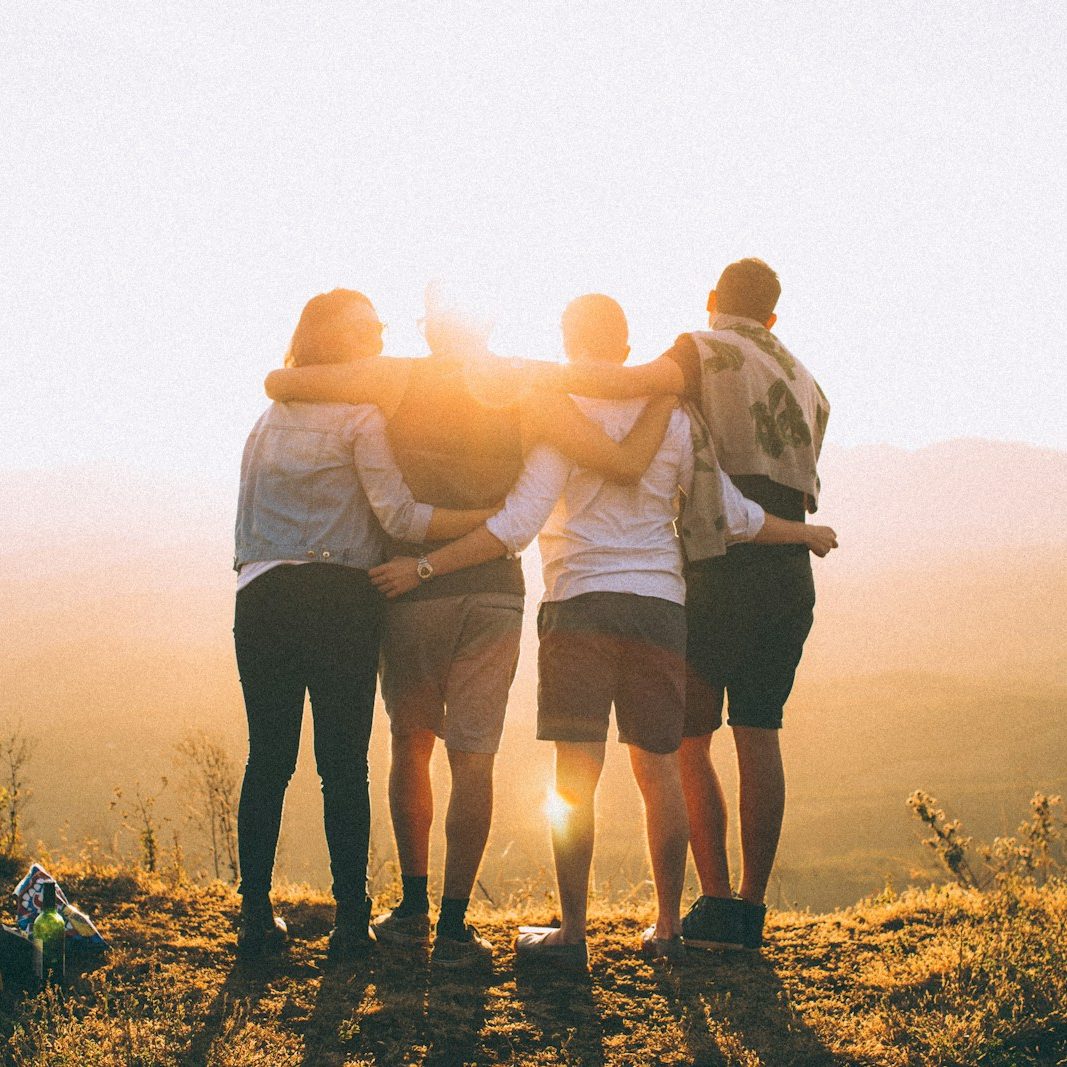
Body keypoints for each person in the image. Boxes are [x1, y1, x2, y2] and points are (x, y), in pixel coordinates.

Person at [370, 293, 836, 965]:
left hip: (578, 604)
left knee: (574, 777)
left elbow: (516, 525)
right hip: (659, 608)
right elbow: (731, 514)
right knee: (659, 773)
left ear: (567, 342)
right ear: (625, 348)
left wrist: (425, 566)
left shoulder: (559, 415)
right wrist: (805, 532)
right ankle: (668, 927)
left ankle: (572, 933)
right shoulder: (674, 418)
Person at [263, 289, 675, 968]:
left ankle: (412, 905)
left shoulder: (397, 375)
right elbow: (612, 423)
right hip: (493, 591)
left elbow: (287, 381)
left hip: (409, 590)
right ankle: (455, 925)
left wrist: (284, 376)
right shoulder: (528, 382)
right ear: (488, 322)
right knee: (473, 755)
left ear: (430, 328)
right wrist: (665, 387)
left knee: (410, 741)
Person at [521, 260, 833, 951]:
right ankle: (748, 911)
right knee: (760, 732)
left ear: (713, 300)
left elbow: (627, 385)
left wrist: (526, 377)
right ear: (773, 317)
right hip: (785, 566)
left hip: (717, 562)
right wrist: (806, 533)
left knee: (684, 741)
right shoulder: (807, 380)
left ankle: (713, 904)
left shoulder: (700, 349)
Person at [232, 289, 494, 960]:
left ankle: (255, 919)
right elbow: (401, 518)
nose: (379, 336)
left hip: (261, 596)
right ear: (337, 341)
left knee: (268, 759)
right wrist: (486, 522)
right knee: (342, 765)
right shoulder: (360, 417)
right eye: (367, 329)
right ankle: (351, 924)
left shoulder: (266, 420)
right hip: (340, 598)